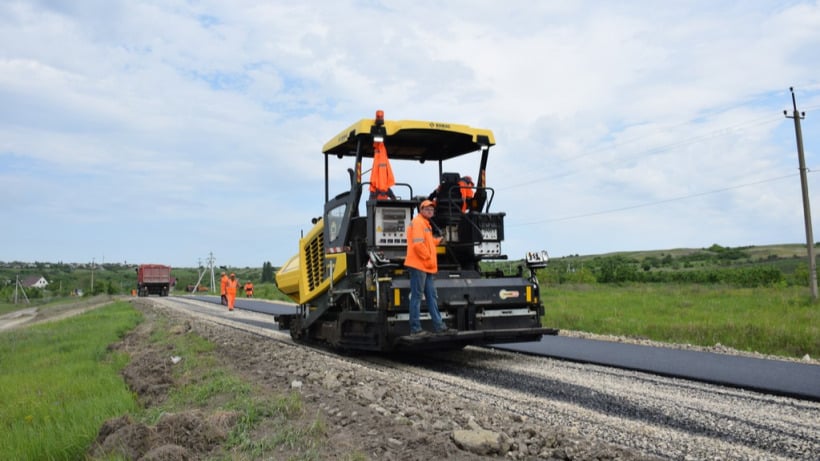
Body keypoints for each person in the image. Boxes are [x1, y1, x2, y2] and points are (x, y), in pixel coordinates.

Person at [403, 199, 452, 336]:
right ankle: (415, 329)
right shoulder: (418, 223)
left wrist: (438, 241)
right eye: (427, 209)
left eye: (432, 210)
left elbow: (427, 243)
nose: (430, 211)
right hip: (419, 266)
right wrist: (429, 259)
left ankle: (440, 326)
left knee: (431, 296)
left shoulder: (425, 224)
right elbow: (418, 245)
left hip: (425, 266)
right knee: (417, 297)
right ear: (421, 210)